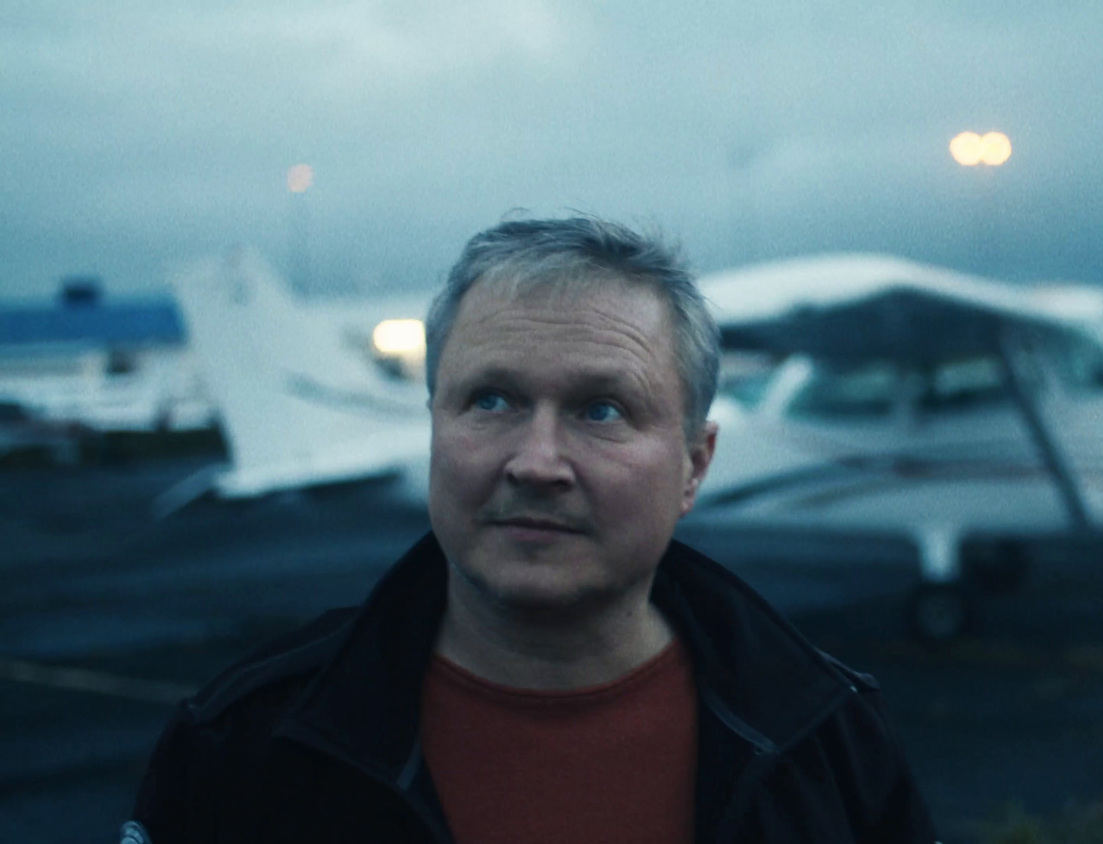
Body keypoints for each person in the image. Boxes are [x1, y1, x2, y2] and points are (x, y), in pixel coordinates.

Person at [124, 217, 938, 844]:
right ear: (435, 426)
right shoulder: (236, 748)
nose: (537, 462)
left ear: (695, 465)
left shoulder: (834, 743)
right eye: (491, 400)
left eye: (602, 409)